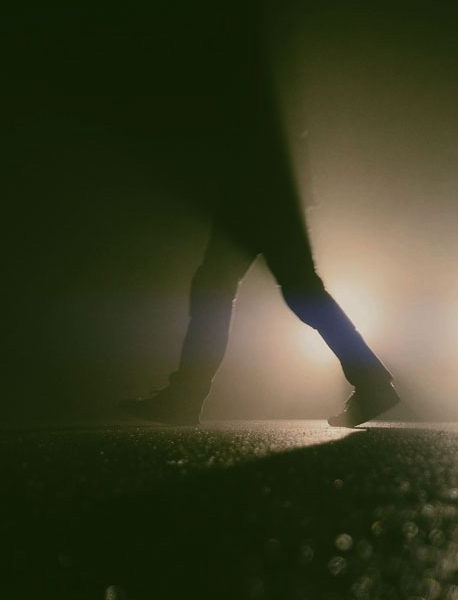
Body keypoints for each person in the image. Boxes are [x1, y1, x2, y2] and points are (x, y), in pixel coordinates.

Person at [120, 3, 399, 427]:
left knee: (234, 285)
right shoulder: (243, 39)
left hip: (254, 181)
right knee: (276, 287)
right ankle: (370, 381)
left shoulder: (226, 41)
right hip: (263, 181)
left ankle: (186, 396)